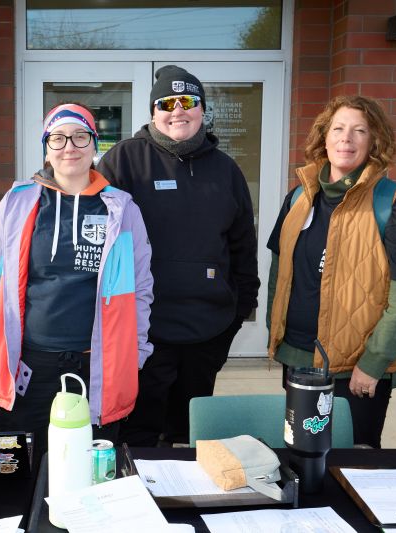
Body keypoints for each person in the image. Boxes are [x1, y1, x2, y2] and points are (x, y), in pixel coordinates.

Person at [0, 103, 153, 454]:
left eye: (80, 136)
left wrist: (137, 351)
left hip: (99, 363)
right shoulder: (18, 202)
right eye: (58, 138)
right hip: (30, 364)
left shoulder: (121, 208)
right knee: (29, 464)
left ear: (94, 146)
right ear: (47, 149)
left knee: (92, 465)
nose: (69, 146)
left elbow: (140, 289)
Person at [97, 65, 260, 447]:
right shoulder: (124, 161)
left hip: (206, 334)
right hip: (145, 333)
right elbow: (96, 240)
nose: (177, 111)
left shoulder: (226, 170)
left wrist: (237, 314)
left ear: (202, 110)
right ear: (153, 112)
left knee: (189, 436)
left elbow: (242, 249)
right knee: (137, 435)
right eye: (166, 103)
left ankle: (183, 504)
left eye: (188, 101)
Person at [267, 95, 396, 448]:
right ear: (323, 137)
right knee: (301, 453)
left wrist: (374, 363)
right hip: (298, 357)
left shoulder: (394, 205)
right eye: (339, 129)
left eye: (360, 131)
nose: (347, 138)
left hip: (357, 369)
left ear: (374, 143)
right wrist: (276, 331)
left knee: (355, 460)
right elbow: (279, 271)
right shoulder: (299, 197)